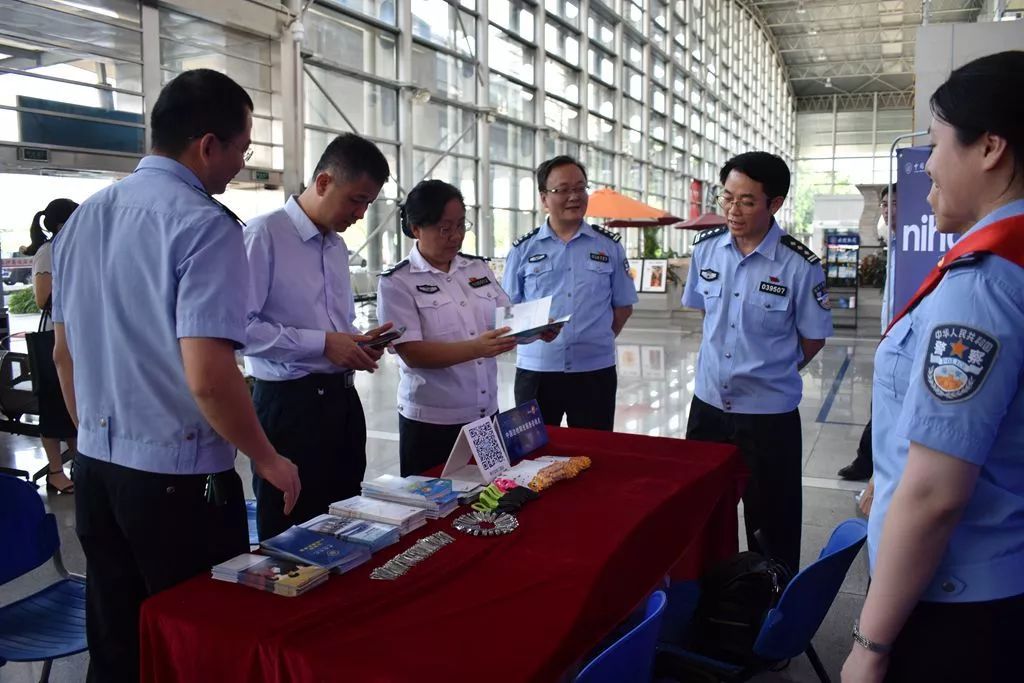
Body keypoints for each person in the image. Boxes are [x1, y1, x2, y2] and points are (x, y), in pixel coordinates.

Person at [51, 69, 301, 682]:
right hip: (177, 481)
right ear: (207, 144)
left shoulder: (83, 219)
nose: (240, 165)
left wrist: (96, 439)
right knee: (196, 640)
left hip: (99, 470)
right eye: (241, 149)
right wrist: (267, 459)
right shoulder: (205, 226)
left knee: (117, 636)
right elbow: (210, 377)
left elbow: (64, 353)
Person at [841, 51, 1024, 683]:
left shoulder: (985, 284)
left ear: (990, 147)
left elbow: (936, 493)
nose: (929, 167)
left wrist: (870, 644)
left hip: (961, 598)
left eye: (937, 142)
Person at [681, 152, 834, 572]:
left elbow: (813, 339)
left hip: (768, 416)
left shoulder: (800, 266)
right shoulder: (706, 252)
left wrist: (769, 371)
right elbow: (706, 316)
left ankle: (769, 614)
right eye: (727, 197)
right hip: (708, 409)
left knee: (773, 525)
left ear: (775, 203)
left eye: (747, 201)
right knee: (702, 514)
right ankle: (707, 603)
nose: (732, 209)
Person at [244, 132, 393, 540]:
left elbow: (332, 326)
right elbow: (240, 328)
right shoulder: (263, 236)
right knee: (291, 530)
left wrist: (356, 342)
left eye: (368, 203)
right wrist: (325, 344)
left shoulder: (335, 246)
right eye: (356, 199)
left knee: (345, 519)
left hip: (341, 402)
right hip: (290, 408)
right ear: (324, 182)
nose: (361, 213)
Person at [377, 179, 552, 476]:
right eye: (445, 228)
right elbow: (412, 353)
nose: (455, 236)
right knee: (434, 506)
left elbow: (505, 318)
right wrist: (476, 349)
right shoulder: (398, 282)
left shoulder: (476, 269)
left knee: (493, 493)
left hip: (484, 417)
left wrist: (536, 328)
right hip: (432, 424)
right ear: (417, 228)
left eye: (461, 225)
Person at [502, 156, 638, 430]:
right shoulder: (522, 250)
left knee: (595, 453)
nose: (574, 196)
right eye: (562, 190)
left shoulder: (608, 246)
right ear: (544, 199)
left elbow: (623, 306)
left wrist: (595, 338)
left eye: (580, 188)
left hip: (594, 372)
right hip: (537, 371)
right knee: (533, 454)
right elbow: (509, 310)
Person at [839, 184, 899, 485]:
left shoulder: (915, 246)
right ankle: (868, 466)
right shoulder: (894, 243)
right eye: (885, 204)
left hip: (904, 341)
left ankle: (869, 467)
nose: (887, 210)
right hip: (888, 337)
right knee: (881, 405)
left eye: (894, 204)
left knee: (886, 409)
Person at [25, 198, 79, 494]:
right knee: (53, 404)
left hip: (75, 335)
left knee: (72, 399)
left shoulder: (73, 251)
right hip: (53, 338)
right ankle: (55, 471)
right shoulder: (49, 251)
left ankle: (76, 463)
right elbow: (42, 297)